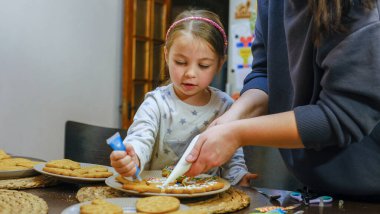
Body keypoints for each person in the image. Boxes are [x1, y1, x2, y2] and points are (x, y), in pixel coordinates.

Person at [185, 0, 380, 199]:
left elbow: (341, 115)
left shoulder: (355, 7)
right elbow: (265, 73)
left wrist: (237, 134)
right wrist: (234, 116)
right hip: (315, 187)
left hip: (369, 191)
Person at [110, 10, 257, 186]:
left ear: (219, 64)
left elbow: (232, 156)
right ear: (166, 56)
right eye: (180, 62)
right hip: (157, 198)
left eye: (203, 65)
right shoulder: (156, 103)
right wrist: (133, 158)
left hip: (206, 201)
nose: (190, 73)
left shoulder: (225, 107)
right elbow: (140, 138)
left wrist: (239, 176)